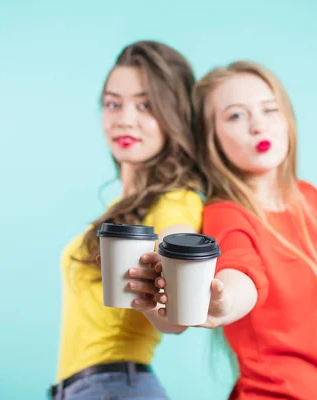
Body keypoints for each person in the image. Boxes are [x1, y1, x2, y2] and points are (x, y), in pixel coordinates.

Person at [143, 61, 317, 399]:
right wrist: (222, 301)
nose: (258, 125)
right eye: (235, 116)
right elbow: (241, 268)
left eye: (270, 110)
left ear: (287, 119)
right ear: (211, 138)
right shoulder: (226, 213)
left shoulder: (309, 199)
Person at [50, 40, 205, 400]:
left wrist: (156, 295)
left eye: (145, 105)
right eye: (113, 103)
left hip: (113, 388)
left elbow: (178, 315)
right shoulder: (126, 208)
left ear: (174, 115)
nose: (125, 118)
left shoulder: (174, 200)